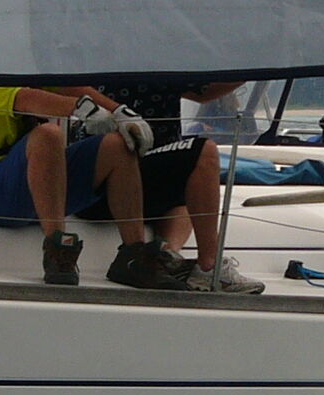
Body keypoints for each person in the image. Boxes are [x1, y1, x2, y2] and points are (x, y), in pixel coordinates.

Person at [0, 84, 188, 289]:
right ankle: (57, 248)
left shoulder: (21, 73)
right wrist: (82, 109)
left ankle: (134, 255)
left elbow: (64, 86)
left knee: (118, 144)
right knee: (48, 135)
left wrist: (119, 113)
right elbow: (26, 99)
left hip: (29, 183)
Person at [90, 79, 263, 293]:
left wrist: (250, 72)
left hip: (150, 167)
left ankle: (166, 256)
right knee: (205, 152)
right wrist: (117, 111)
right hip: (107, 172)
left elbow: (202, 92)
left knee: (189, 185)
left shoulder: (168, 65)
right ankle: (210, 267)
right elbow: (71, 85)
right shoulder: (108, 63)